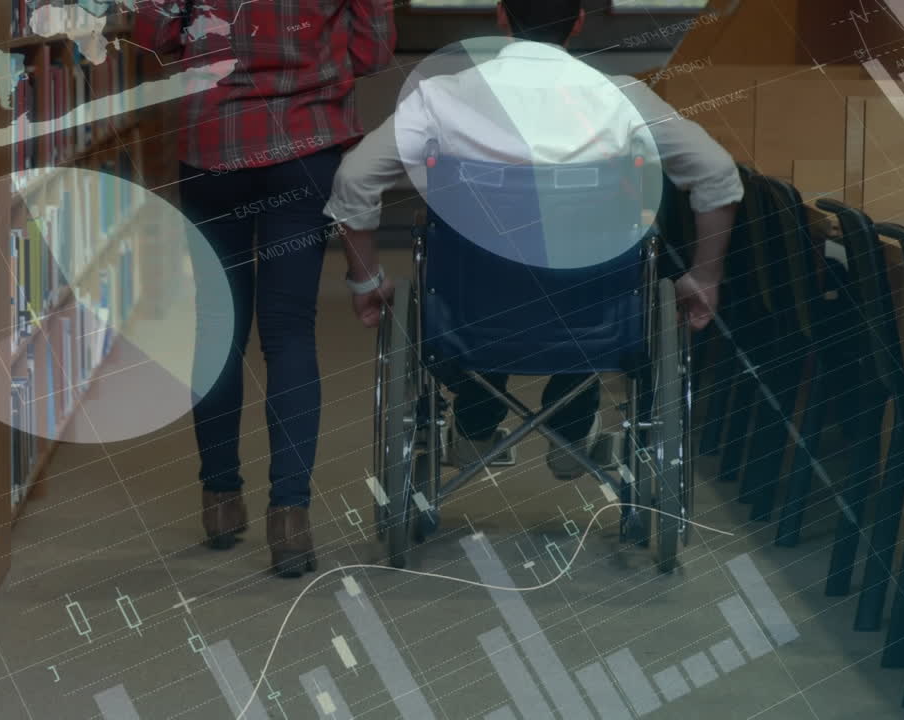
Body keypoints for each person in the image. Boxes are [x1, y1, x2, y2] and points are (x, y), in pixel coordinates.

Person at [323, 0, 741, 476]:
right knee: (582, 276)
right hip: (594, 319)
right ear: (578, 20)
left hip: (470, 315)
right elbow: (717, 174)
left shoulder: (441, 98)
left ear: (501, 15)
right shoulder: (622, 98)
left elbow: (355, 177)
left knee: (489, 278)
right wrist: (705, 277)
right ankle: (571, 424)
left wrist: (365, 280)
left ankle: (477, 423)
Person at [134, 0, 396, 577]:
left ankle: (221, 502)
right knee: (290, 329)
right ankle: (291, 517)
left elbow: (152, 37)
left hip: (212, 151)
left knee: (218, 328)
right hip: (304, 149)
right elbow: (373, 52)